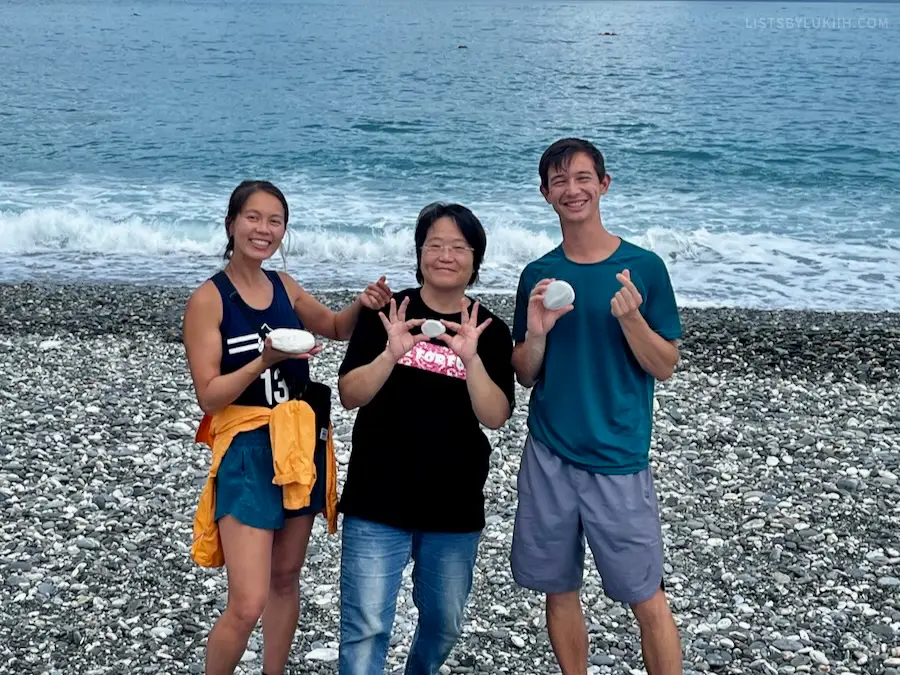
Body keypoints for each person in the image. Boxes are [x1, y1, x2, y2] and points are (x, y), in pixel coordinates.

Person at [182, 180, 392, 675]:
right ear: (232, 223)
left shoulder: (284, 286)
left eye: (275, 221)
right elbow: (209, 396)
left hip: (300, 445)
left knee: (284, 579)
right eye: (253, 218)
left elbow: (337, 328)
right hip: (247, 450)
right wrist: (265, 359)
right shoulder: (209, 300)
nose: (264, 229)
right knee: (247, 600)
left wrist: (364, 303)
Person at [509, 139, 684, 675]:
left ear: (604, 184)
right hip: (550, 452)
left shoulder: (644, 268)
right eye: (559, 181)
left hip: (619, 457)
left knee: (645, 595)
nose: (572, 189)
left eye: (583, 178)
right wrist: (536, 333)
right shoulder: (538, 275)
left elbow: (665, 365)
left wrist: (631, 319)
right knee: (558, 588)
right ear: (545, 194)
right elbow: (524, 372)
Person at [335, 202, 516, 675]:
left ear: (475, 259)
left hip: (453, 504)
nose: (445, 255)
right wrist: (391, 353)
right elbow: (350, 394)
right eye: (434, 245)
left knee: (444, 622)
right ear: (419, 254)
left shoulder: (489, 331)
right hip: (377, 497)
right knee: (366, 627)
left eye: (459, 247)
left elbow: (496, 416)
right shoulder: (388, 312)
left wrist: (471, 360)